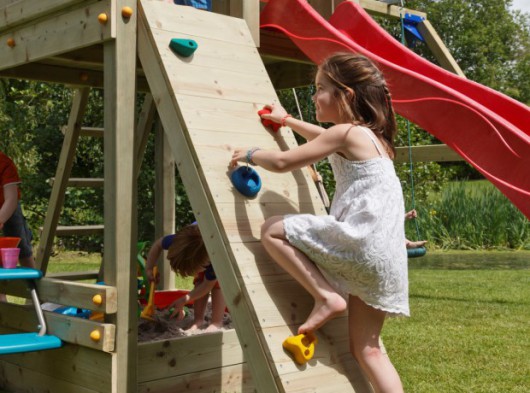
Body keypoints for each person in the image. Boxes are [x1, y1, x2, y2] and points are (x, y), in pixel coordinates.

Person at [231, 53, 407, 392]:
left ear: (346, 95)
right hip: (386, 259)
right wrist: (288, 121)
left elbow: (283, 162)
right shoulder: (375, 139)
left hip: (360, 241)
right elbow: (321, 136)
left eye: (320, 88)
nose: (315, 96)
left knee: (272, 230)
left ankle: (326, 296)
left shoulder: (344, 133)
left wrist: (250, 154)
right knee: (367, 350)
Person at [145, 223, 226, 332]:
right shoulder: (177, 243)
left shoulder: (215, 256)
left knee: (218, 285)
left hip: (221, 247)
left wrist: (184, 299)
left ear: (206, 262)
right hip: (201, 241)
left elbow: (207, 286)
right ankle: (198, 320)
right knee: (199, 281)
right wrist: (149, 268)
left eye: (194, 270)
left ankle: (216, 322)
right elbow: (158, 244)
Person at [0, 151, 36, 299]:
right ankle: (2, 301)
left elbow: (11, 198)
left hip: (8, 205)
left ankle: (35, 289)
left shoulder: (5, 163)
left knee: (20, 243)